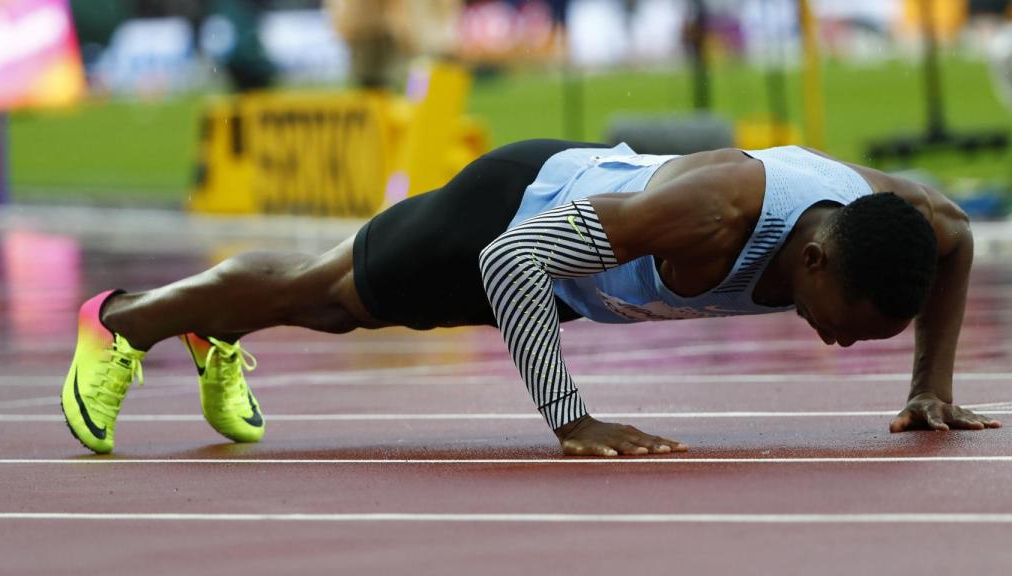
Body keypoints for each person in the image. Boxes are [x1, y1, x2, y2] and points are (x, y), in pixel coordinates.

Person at [61, 139, 1002, 456]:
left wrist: (929, 379)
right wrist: (572, 419)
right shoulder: (712, 213)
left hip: (580, 285)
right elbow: (513, 258)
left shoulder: (895, 217)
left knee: (328, 298)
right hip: (509, 211)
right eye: (852, 331)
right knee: (325, 299)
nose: (845, 347)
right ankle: (120, 322)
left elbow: (955, 236)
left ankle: (204, 335)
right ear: (818, 265)